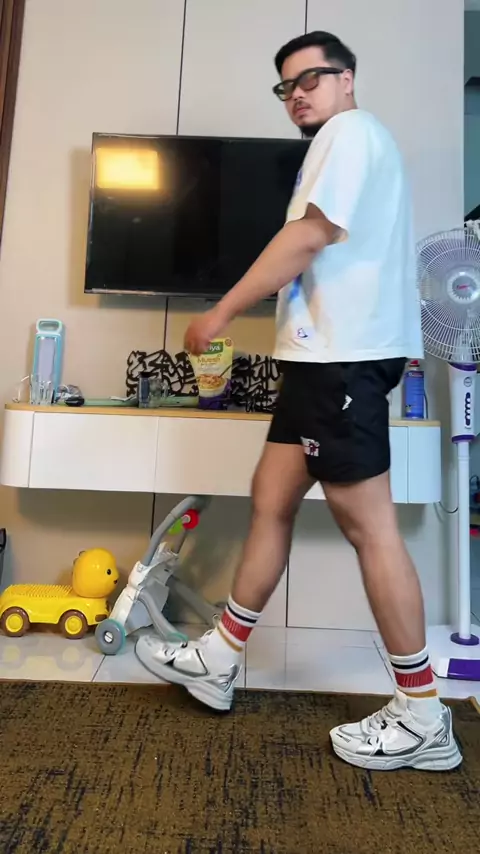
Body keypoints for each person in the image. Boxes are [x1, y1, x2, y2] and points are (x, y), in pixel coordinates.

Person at [136, 31, 462, 772]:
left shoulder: (350, 132)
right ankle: (220, 659)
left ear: (348, 78)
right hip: (321, 361)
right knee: (272, 497)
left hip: (342, 361)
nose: (298, 95)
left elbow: (310, 235)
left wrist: (221, 312)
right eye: (286, 87)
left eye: (311, 79)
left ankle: (422, 715)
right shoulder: (349, 142)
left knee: (369, 526)